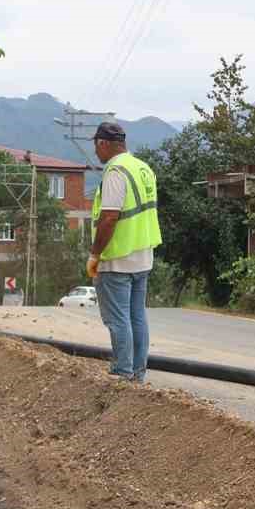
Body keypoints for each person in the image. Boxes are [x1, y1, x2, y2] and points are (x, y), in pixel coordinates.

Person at [87, 120, 161, 381]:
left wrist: (95, 255)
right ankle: (137, 375)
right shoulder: (143, 168)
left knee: (118, 320)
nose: (96, 152)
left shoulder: (116, 171)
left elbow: (109, 218)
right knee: (137, 318)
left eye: (97, 147)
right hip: (143, 255)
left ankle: (122, 374)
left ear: (104, 143)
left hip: (118, 258)